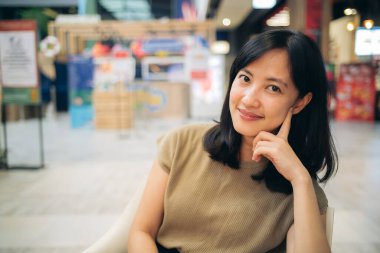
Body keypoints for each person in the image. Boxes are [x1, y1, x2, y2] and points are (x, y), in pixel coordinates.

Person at [128, 29, 338, 253]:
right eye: (245, 78)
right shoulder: (182, 142)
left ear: (299, 103)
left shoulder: (300, 193)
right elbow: (141, 232)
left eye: (273, 88)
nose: (248, 99)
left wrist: (300, 179)